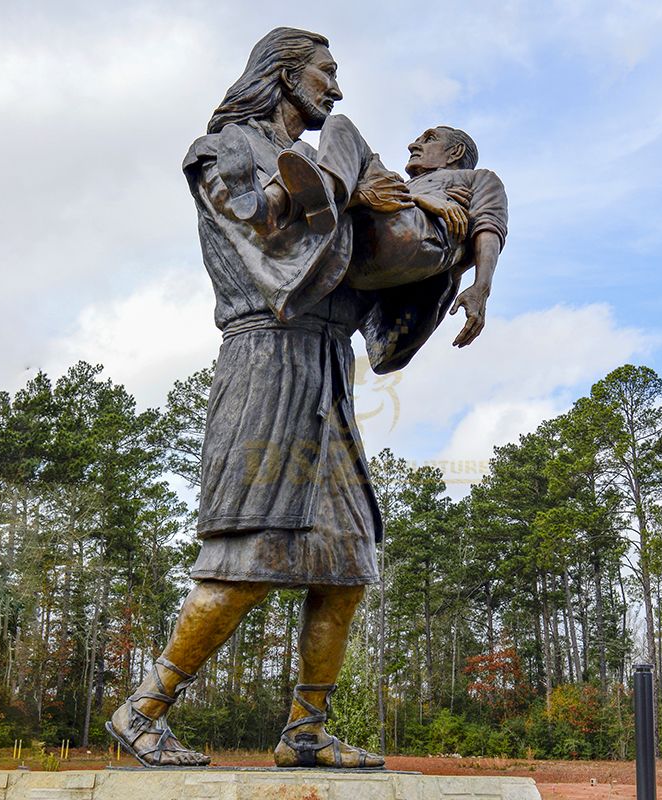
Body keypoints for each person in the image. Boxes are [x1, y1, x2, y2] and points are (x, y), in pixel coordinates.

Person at [106, 26, 500, 769]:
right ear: (285, 76)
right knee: (246, 554)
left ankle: (306, 730)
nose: (337, 90)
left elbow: (359, 253)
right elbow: (258, 223)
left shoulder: (331, 158)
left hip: (328, 362)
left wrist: (435, 244)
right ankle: (142, 709)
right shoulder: (218, 149)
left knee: (346, 562)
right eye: (326, 73)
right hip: (266, 358)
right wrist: (354, 190)